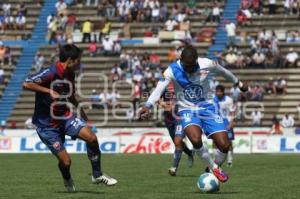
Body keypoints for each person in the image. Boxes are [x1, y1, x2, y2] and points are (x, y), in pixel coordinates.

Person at [139, 45, 248, 183]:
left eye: (192, 65)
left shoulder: (206, 63)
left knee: (225, 145)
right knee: (195, 139)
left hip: (208, 108)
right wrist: (148, 105)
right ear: (181, 60)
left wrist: (238, 83)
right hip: (187, 110)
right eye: (187, 66)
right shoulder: (172, 70)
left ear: (196, 60)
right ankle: (215, 168)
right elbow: (159, 89)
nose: (190, 69)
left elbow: (224, 72)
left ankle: (210, 170)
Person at [22, 44, 117, 192]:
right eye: (79, 60)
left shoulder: (71, 74)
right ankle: (67, 178)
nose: (81, 63)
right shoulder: (50, 72)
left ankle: (97, 175)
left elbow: (70, 94)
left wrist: (80, 109)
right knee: (66, 162)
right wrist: (48, 91)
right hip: (47, 126)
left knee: (92, 138)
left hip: (64, 117)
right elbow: (26, 83)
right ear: (71, 60)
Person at [159, 82, 193, 176]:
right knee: (177, 143)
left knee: (178, 141)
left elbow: (176, 106)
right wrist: (163, 104)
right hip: (168, 119)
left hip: (180, 118)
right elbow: (159, 101)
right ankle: (190, 153)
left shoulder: (182, 86)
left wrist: (167, 106)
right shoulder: (164, 86)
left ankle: (174, 168)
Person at [214, 85, 236, 167]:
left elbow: (233, 111)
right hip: (217, 122)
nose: (218, 93)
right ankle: (215, 158)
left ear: (223, 92)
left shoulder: (229, 100)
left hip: (227, 122)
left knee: (229, 141)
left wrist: (231, 122)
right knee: (215, 141)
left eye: (220, 91)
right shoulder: (213, 99)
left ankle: (230, 160)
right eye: (217, 91)